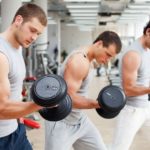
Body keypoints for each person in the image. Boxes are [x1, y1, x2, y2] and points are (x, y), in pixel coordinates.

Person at [45, 31, 122, 150]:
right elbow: (66, 98)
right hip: (62, 122)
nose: (107, 60)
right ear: (99, 44)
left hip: (79, 120)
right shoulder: (80, 61)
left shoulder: (90, 59)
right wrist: (99, 104)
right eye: (107, 54)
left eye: (111, 57)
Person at [0, 3, 47, 150]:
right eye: (32, 30)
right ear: (18, 20)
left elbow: (14, 89)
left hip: (16, 130)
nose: (34, 37)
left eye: (38, 34)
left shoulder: (18, 47)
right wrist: (40, 104)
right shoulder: (1, 55)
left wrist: (20, 117)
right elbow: (1, 108)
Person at [109, 21, 150, 150]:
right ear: (148, 32)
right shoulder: (133, 54)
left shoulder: (147, 50)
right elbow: (128, 90)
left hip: (146, 106)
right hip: (131, 110)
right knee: (119, 148)